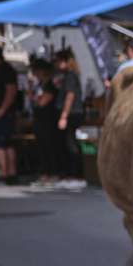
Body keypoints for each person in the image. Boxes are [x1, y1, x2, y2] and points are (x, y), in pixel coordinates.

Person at [52, 49, 86, 191]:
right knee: (69, 143)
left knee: (70, 144)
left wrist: (64, 115)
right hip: (73, 112)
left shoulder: (71, 75)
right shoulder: (69, 75)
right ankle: (71, 175)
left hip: (71, 113)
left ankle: (75, 175)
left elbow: (70, 96)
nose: (55, 64)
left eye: (57, 61)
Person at [27, 59, 61, 187]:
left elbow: (42, 102)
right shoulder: (40, 85)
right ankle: (45, 173)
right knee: (42, 147)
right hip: (40, 120)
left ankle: (52, 173)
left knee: (49, 147)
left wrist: (34, 97)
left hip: (48, 120)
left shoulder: (50, 85)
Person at [0, 44, 18, 184]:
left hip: (1, 111)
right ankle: (10, 173)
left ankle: (5, 173)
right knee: (6, 143)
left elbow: (10, 91)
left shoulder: (4, 70)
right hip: (2, 111)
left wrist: (2, 108)